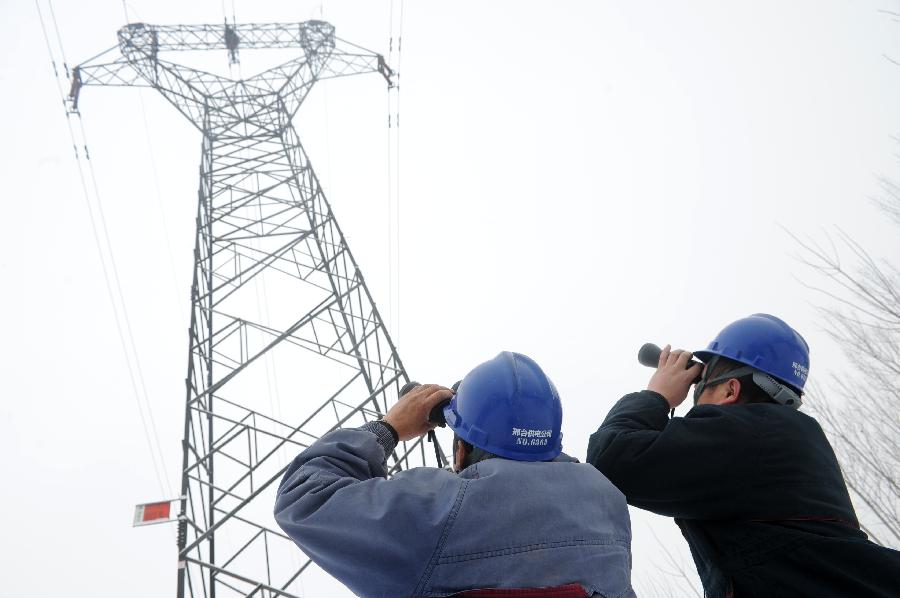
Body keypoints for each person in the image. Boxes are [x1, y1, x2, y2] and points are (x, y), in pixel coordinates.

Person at [586, 313, 900, 597]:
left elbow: (613, 458)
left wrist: (657, 395)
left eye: (701, 387)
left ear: (729, 391)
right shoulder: (786, 442)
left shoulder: (753, 435)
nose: (694, 406)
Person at [275, 351, 636, 598]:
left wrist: (389, 427)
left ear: (461, 449)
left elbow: (304, 497)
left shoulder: (439, 511)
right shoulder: (606, 502)